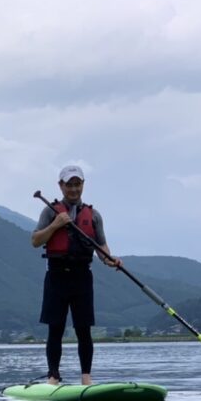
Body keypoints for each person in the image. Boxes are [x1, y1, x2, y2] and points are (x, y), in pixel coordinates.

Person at [31, 165, 122, 385]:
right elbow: (36, 241)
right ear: (61, 186)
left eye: (77, 184)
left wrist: (111, 260)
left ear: (83, 185)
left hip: (82, 276)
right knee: (56, 328)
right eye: (69, 184)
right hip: (57, 275)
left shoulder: (94, 216)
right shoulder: (50, 211)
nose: (73, 189)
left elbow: (102, 249)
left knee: (84, 329)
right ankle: (53, 377)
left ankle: (86, 378)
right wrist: (55, 224)